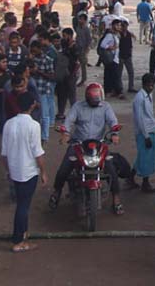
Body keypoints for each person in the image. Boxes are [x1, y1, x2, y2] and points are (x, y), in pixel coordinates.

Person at [50, 84, 124, 215]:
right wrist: (65, 134)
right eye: (93, 101)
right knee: (64, 168)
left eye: (97, 100)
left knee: (111, 170)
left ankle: (116, 199)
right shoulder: (78, 106)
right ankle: (57, 192)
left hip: (99, 145)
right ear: (87, 98)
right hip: (79, 144)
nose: (95, 103)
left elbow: (113, 122)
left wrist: (114, 134)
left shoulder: (106, 107)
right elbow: (69, 121)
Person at [1, 91, 47, 253]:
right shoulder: (33, 125)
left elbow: (4, 154)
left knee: (21, 203)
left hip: (15, 170)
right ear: (32, 105)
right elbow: (38, 153)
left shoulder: (9, 124)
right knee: (23, 206)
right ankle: (18, 240)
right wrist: (43, 172)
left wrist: (9, 170)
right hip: (28, 171)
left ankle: (23, 235)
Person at [128, 73, 155, 193]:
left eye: (152, 85)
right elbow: (140, 118)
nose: (151, 88)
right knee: (146, 158)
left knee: (143, 156)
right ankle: (145, 183)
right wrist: (146, 136)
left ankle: (131, 177)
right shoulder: (139, 98)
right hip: (144, 132)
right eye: (149, 85)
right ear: (144, 84)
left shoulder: (148, 95)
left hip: (150, 129)